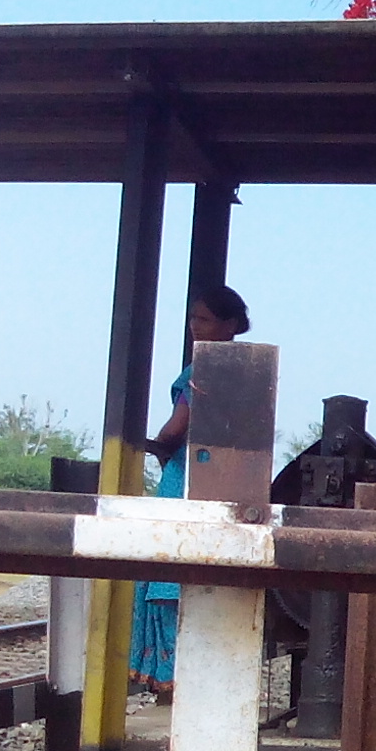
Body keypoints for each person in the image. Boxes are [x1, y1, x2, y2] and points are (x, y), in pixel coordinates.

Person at [129, 282, 249, 698]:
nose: (195, 327)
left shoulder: (199, 372)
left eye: (204, 319)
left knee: (168, 569)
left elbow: (175, 429)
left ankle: (167, 673)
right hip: (229, 482)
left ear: (229, 324)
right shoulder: (247, 370)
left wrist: (152, 444)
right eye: (193, 319)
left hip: (185, 478)